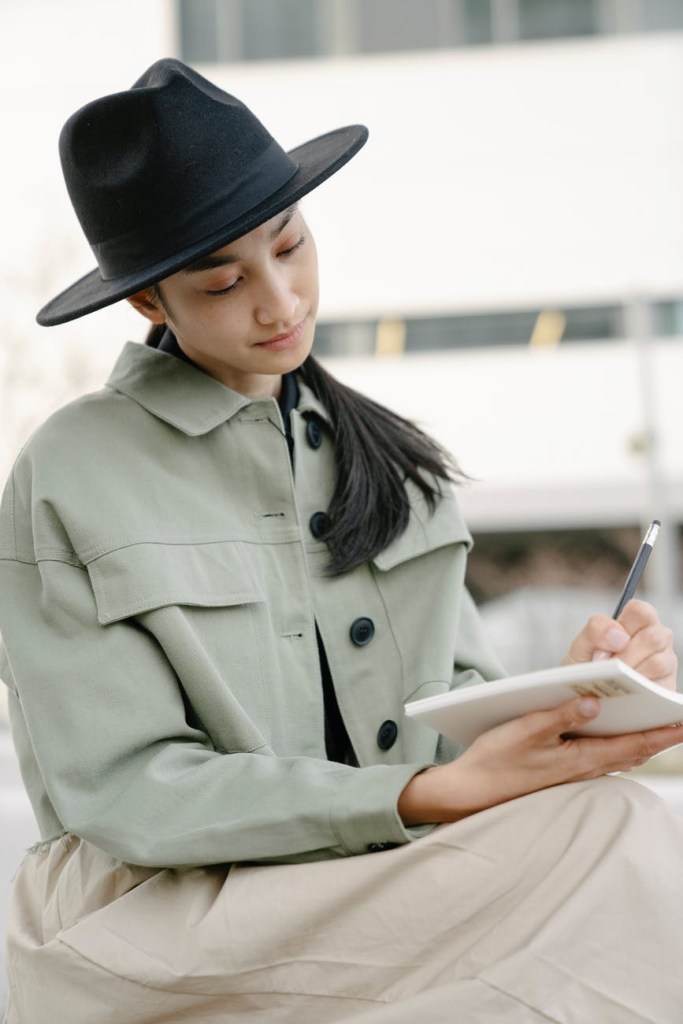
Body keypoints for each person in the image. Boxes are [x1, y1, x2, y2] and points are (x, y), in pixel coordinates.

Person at [0, 58, 682, 1024]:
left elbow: (450, 714)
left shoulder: (393, 464)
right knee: (615, 868)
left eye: (291, 246)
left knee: (612, 828)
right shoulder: (71, 473)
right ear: (150, 303)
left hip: (365, 882)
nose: (279, 302)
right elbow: (130, 793)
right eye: (225, 281)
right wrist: (413, 797)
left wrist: (564, 699)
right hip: (154, 917)